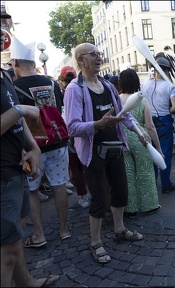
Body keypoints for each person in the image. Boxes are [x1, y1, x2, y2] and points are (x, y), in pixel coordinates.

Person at [64, 43, 145, 263]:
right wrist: (98, 124)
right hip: (93, 153)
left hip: (115, 148)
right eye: (94, 54)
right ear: (81, 59)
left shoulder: (108, 86)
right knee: (99, 199)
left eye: (100, 54)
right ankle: (96, 242)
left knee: (121, 193)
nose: (99, 58)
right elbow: (71, 127)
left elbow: (124, 114)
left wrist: (138, 131)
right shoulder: (74, 89)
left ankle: (119, 230)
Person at [1, 25, 59, 288]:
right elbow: (17, 113)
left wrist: (33, 147)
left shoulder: (5, 77)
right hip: (3, 175)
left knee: (15, 239)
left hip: (16, 168)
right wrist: (22, 110)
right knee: (8, 249)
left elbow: (16, 118)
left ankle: (26, 283)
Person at [12, 37, 71, 247]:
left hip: (32, 148)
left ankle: (39, 234)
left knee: (33, 191)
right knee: (59, 185)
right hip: (58, 142)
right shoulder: (52, 82)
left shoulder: (14, 87)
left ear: (16, 63)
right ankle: (64, 230)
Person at [119, 68, 162, 219]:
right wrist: (158, 147)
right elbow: (150, 126)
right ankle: (150, 205)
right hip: (141, 139)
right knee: (146, 172)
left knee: (128, 175)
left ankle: (130, 208)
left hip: (123, 140)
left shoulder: (117, 100)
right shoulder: (142, 100)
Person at [142, 57, 175, 194]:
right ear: (165, 70)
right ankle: (166, 184)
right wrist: (166, 110)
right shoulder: (170, 86)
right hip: (164, 122)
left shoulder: (144, 85)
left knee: (152, 154)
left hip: (149, 122)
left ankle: (153, 184)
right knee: (165, 154)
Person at [59, 65, 90, 208]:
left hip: (69, 133)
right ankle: (93, 193)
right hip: (85, 130)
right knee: (88, 164)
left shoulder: (63, 92)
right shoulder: (83, 87)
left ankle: (84, 196)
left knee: (76, 166)